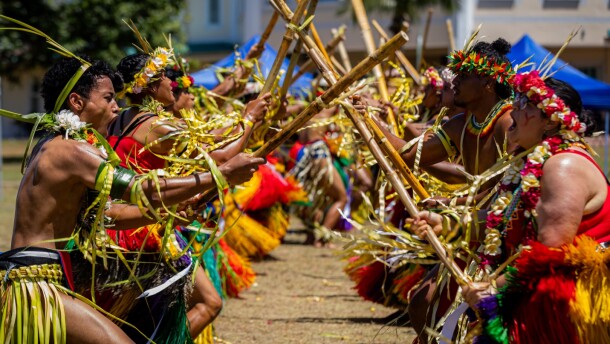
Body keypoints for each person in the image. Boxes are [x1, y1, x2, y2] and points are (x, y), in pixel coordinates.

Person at [0, 55, 264, 343]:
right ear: (77, 102)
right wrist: (220, 175)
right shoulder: (70, 150)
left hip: (46, 279)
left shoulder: (59, 144)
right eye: (108, 98)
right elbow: (143, 189)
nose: (116, 106)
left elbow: (110, 215)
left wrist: (168, 212)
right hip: (35, 283)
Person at [410, 73, 608, 343]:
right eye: (517, 100)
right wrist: (445, 223)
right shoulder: (529, 162)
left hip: (569, 304)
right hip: (536, 290)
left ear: (550, 121)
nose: (513, 107)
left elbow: (549, 253)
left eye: (526, 104)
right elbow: (501, 223)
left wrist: (493, 287)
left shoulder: (564, 165)